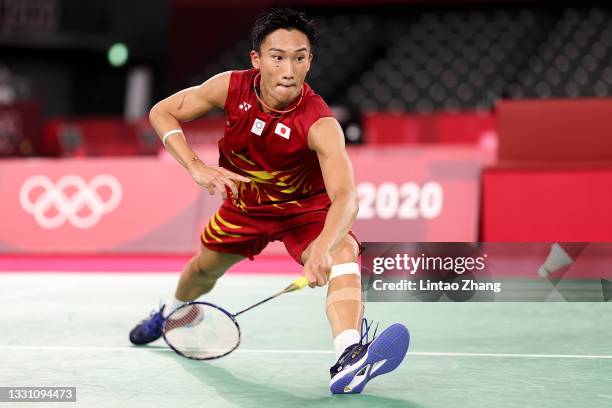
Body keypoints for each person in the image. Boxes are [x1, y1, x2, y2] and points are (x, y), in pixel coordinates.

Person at [129, 8, 409, 394]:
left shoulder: (321, 124)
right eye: (278, 57)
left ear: (310, 60)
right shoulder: (229, 87)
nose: (289, 70)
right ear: (257, 60)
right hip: (243, 208)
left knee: (344, 251)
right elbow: (161, 112)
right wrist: (194, 165)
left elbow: (346, 198)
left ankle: (350, 357)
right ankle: (171, 314)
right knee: (202, 271)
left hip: (305, 214)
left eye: (299, 57)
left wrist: (322, 249)